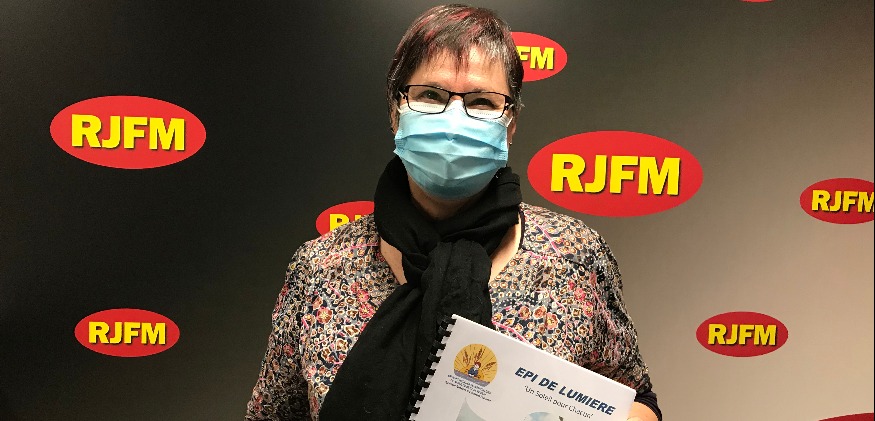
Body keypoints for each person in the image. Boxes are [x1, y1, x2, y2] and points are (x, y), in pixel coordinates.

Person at [245, 4, 661, 421]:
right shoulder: (320, 269)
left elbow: (637, 397)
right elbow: (273, 413)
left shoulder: (573, 256)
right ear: (395, 110)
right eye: (431, 95)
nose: (454, 120)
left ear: (511, 124)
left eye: (482, 101)